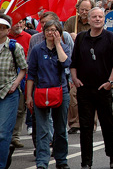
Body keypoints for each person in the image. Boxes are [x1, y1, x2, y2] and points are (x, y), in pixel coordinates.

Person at [70, 7, 113, 169]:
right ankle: (86, 162)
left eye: (100, 16)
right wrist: (75, 79)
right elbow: (74, 62)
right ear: (89, 19)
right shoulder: (81, 38)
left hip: (103, 88)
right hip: (84, 89)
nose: (97, 19)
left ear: (104, 19)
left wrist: (110, 81)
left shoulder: (110, 38)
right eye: (94, 17)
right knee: (85, 126)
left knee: (108, 124)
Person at [26, 20, 71, 169]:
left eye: (54, 30)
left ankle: (61, 160)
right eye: (48, 30)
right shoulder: (37, 50)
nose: (51, 33)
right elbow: (31, 74)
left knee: (60, 129)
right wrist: (28, 96)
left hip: (60, 91)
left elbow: (66, 63)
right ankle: (42, 162)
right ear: (43, 33)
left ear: (59, 32)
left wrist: (57, 44)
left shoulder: (64, 47)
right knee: (43, 130)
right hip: (41, 92)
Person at [0, 14, 27, 169]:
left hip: (8, 93)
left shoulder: (14, 47)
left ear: (7, 30)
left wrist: (15, 84)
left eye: (2, 27)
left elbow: (23, 68)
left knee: (3, 133)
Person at [8, 19, 31, 149]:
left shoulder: (28, 37)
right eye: (16, 22)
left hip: (22, 79)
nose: (18, 25)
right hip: (5, 78)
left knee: (20, 109)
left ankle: (15, 136)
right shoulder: (5, 36)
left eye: (21, 22)